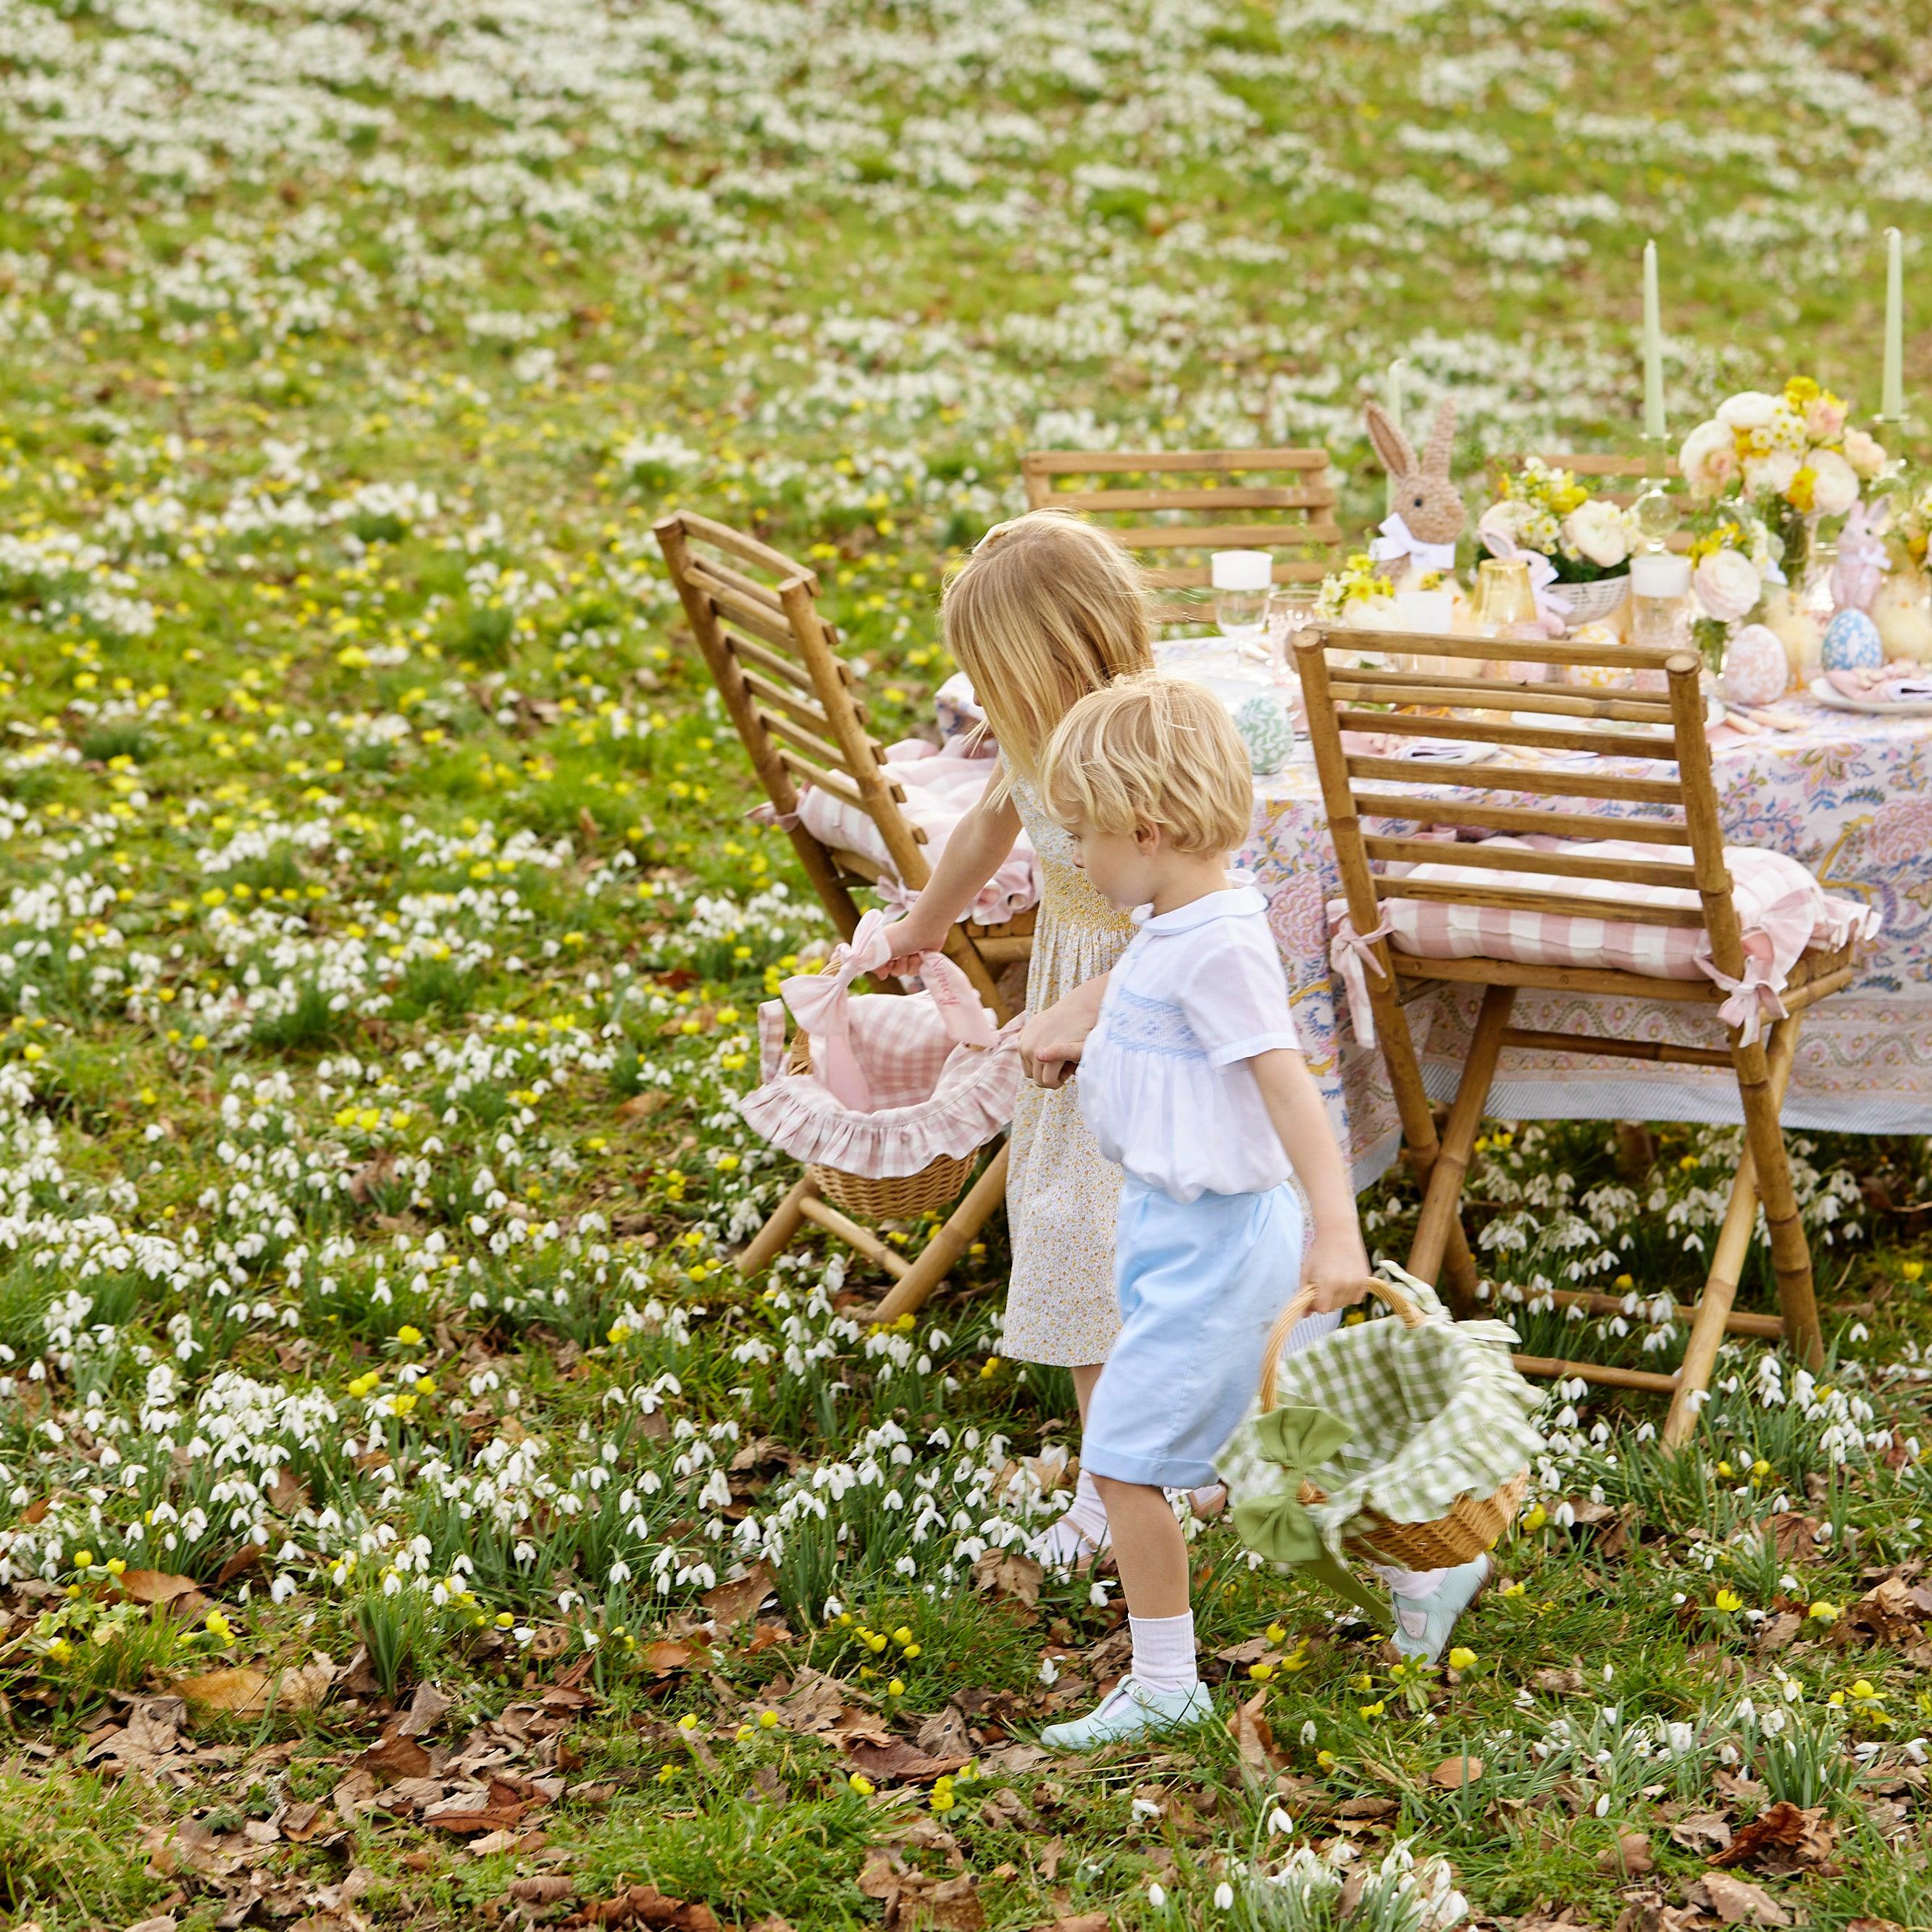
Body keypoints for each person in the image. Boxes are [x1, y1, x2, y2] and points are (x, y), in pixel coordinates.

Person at [1025, 674, 1380, 1750]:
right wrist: (1083, 1041)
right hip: (1168, 1231)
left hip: (1219, 1243)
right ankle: (1424, 1568)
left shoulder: (1220, 945)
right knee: (1250, 1447)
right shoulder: (1176, 921)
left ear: (1148, 829)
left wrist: (1337, 1228)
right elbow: (1154, 1016)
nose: (1076, 855)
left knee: (1122, 1458)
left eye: (1084, 834)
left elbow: (1289, 1087)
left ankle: (1167, 1683)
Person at [874, 509, 1154, 1565]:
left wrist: (1090, 1006)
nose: (983, 698)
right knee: (1084, 1231)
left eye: (992, 674)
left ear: (1052, 656)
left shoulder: (1127, 754)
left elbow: (1190, 915)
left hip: (1133, 1014)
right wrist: (923, 925)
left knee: (1097, 1238)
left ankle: (1115, 1486)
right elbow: (989, 825)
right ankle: (1148, 1463)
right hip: (1073, 1000)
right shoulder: (1044, 739)